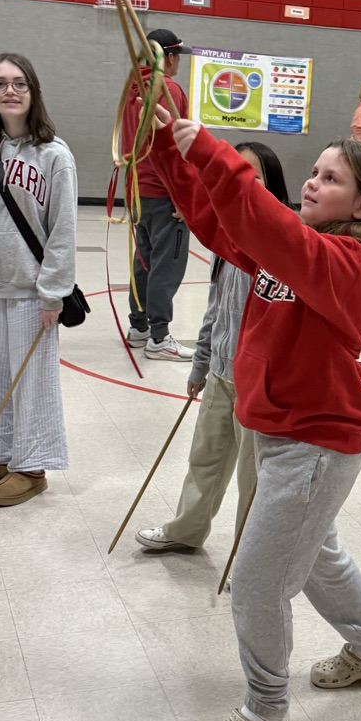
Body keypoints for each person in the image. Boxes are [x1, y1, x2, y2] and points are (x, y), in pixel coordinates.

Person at [148, 107, 361, 721]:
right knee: (317, 557)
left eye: (330, 178)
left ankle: (265, 711)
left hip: (315, 446)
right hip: (284, 435)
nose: (312, 183)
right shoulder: (302, 245)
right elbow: (219, 222)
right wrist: (167, 148)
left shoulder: (354, 262)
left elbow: (272, 229)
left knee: (259, 582)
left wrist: (209, 150)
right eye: (313, 172)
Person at [136, 144, 291, 552]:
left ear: (273, 184)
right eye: (236, 172)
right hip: (221, 373)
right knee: (205, 458)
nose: (243, 181)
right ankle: (187, 530)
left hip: (258, 385)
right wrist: (200, 364)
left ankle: (250, 558)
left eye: (254, 174)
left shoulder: (283, 246)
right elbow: (215, 310)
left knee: (251, 476)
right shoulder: (226, 239)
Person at [0, 53, 77, 505]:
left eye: (19, 83)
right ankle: (2, 457)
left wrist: (53, 293)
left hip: (31, 292)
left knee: (32, 383)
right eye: (0, 83)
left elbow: (63, 230)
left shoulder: (55, 154)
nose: (10, 90)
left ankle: (32, 466)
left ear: (33, 92)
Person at [122, 28, 193, 360]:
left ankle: (139, 326)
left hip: (138, 189)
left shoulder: (133, 87)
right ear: (170, 57)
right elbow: (174, 145)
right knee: (168, 262)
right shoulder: (168, 88)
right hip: (163, 191)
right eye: (178, 56)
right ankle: (159, 336)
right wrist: (182, 195)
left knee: (145, 259)